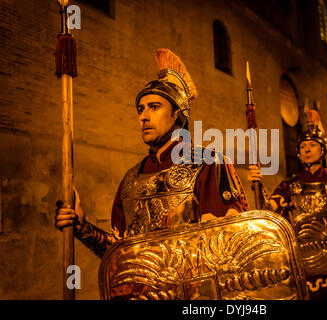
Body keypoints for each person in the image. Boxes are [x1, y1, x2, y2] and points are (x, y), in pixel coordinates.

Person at [55, 49, 248, 259]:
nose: (143, 117)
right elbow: (121, 253)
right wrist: (83, 229)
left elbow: (231, 249)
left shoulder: (209, 164)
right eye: (140, 109)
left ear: (177, 114)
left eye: (154, 107)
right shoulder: (131, 178)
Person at [247, 109, 327, 300]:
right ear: (298, 153)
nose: (306, 149)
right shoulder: (289, 185)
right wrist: (256, 186)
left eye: (312, 145)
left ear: (322, 150)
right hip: (303, 259)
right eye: (303, 147)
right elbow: (268, 212)